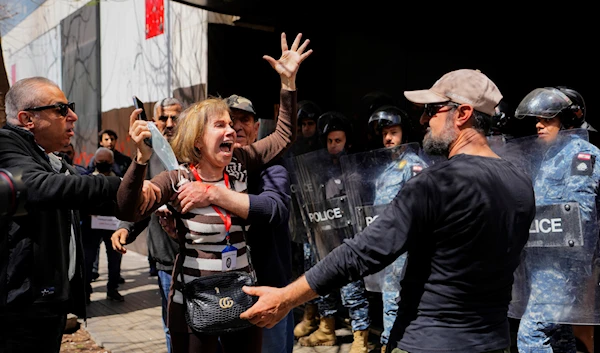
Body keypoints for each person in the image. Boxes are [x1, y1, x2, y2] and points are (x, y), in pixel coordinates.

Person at [239, 69, 537, 353]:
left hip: (427, 342)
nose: (423, 119)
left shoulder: (435, 184)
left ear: (463, 114)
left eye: (432, 110)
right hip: (493, 342)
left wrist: (285, 298)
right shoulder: (521, 182)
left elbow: (361, 253)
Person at [115, 32, 311, 353]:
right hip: (194, 302)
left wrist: (288, 83)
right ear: (196, 139)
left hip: (243, 297)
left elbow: (284, 135)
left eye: (232, 125)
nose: (231, 131)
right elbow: (129, 208)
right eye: (220, 125)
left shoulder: (240, 162)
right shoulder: (175, 178)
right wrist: (140, 159)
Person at [0, 76, 158, 353]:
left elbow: (121, 206)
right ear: (27, 119)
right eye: (61, 109)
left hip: (49, 303)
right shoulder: (6, 145)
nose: (72, 116)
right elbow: (36, 187)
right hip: (19, 308)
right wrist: (118, 185)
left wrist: (142, 162)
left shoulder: (52, 161)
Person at [513, 86, 600, 353]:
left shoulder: (581, 153)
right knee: (560, 338)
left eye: (547, 119)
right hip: (539, 264)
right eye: (538, 119)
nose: (539, 125)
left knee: (532, 335)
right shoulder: (545, 156)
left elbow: (580, 213)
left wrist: (535, 225)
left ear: (569, 119)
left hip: (561, 267)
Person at [294, 111, 371, 353]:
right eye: (330, 141)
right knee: (323, 285)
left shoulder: (354, 171)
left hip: (348, 241)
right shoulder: (320, 169)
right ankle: (326, 330)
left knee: (352, 289)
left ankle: (360, 337)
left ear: (347, 141)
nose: (334, 146)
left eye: (338, 141)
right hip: (324, 239)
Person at [111, 96, 183, 353]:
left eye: (176, 117)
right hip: (166, 261)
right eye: (164, 118)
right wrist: (125, 227)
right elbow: (140, 202)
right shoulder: (147, 156)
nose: (170, 123)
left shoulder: (199, 151)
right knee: (172, 326)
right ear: (154, 121)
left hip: (205, 257)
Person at [367, 105, 428, 353]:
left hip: (405, 247)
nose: (388, 138)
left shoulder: (413, 165)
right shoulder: (385, 168)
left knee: (396, 299)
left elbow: (422, 209)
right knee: (388, 298)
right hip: (385, 245)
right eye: (384, 134)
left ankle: (392, 346)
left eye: (393, 132)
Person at [82, 147, 125, 303]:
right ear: (95, 162)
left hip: (112, 227)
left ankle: (112, 289)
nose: (103, 164)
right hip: (90, 227)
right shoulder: (86, 180)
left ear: (112, 162)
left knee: (115, 259)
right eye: (100, 162)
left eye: (106, 162)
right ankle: (85, 292)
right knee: (87, 260)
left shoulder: (119, 181)